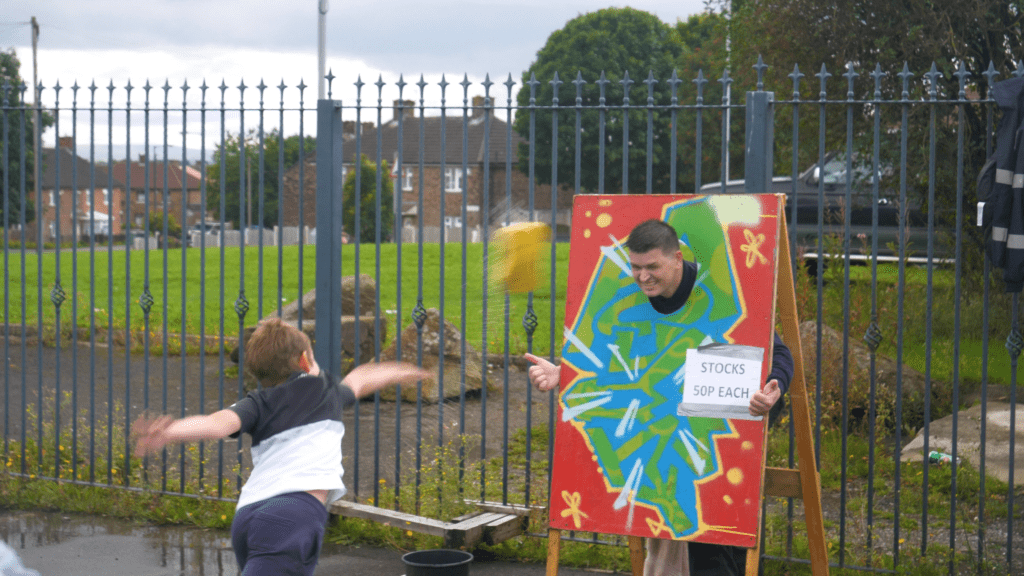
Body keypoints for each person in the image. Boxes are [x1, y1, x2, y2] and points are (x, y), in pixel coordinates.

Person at [525, 218, 793, 576]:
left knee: (716, 538)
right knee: (666, 531)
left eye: (652, 267)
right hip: (661, 422)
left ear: (677, 259)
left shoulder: (717, 292)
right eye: (635, 267)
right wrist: (565, 373)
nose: (642, 276)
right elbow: (604, 351)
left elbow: (777, 352)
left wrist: (773, 386)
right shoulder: (629, 295)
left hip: (723, 421)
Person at [133, 317, 430, 576]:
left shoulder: (257, 402)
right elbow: (361, 378)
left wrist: (170, 430)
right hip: (292, 516)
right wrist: (406, 370)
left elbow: (216, 424)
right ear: (305, 360)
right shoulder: (325, 391)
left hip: (248, 515)